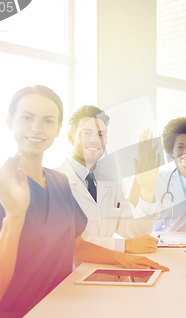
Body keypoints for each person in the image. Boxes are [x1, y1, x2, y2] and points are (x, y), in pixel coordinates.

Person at [0, 86, 168, 318]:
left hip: (55, 306)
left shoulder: (58, 182)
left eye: (48, 120)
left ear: (58, 129)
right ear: (10, 122)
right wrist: (14, 216)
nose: (37, 128)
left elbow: (77, 246)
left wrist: (126, 259)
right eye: (27, 117)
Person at [57, 106, 159, 254]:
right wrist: (123, 246)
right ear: (71, 137)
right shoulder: (54, 182)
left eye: (100, 134)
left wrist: (148, 190)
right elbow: (69, 241)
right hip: (72, 274)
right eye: (87, 132)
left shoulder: (113, 186)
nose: (94, 140)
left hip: (109, 272)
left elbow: (134, 234)